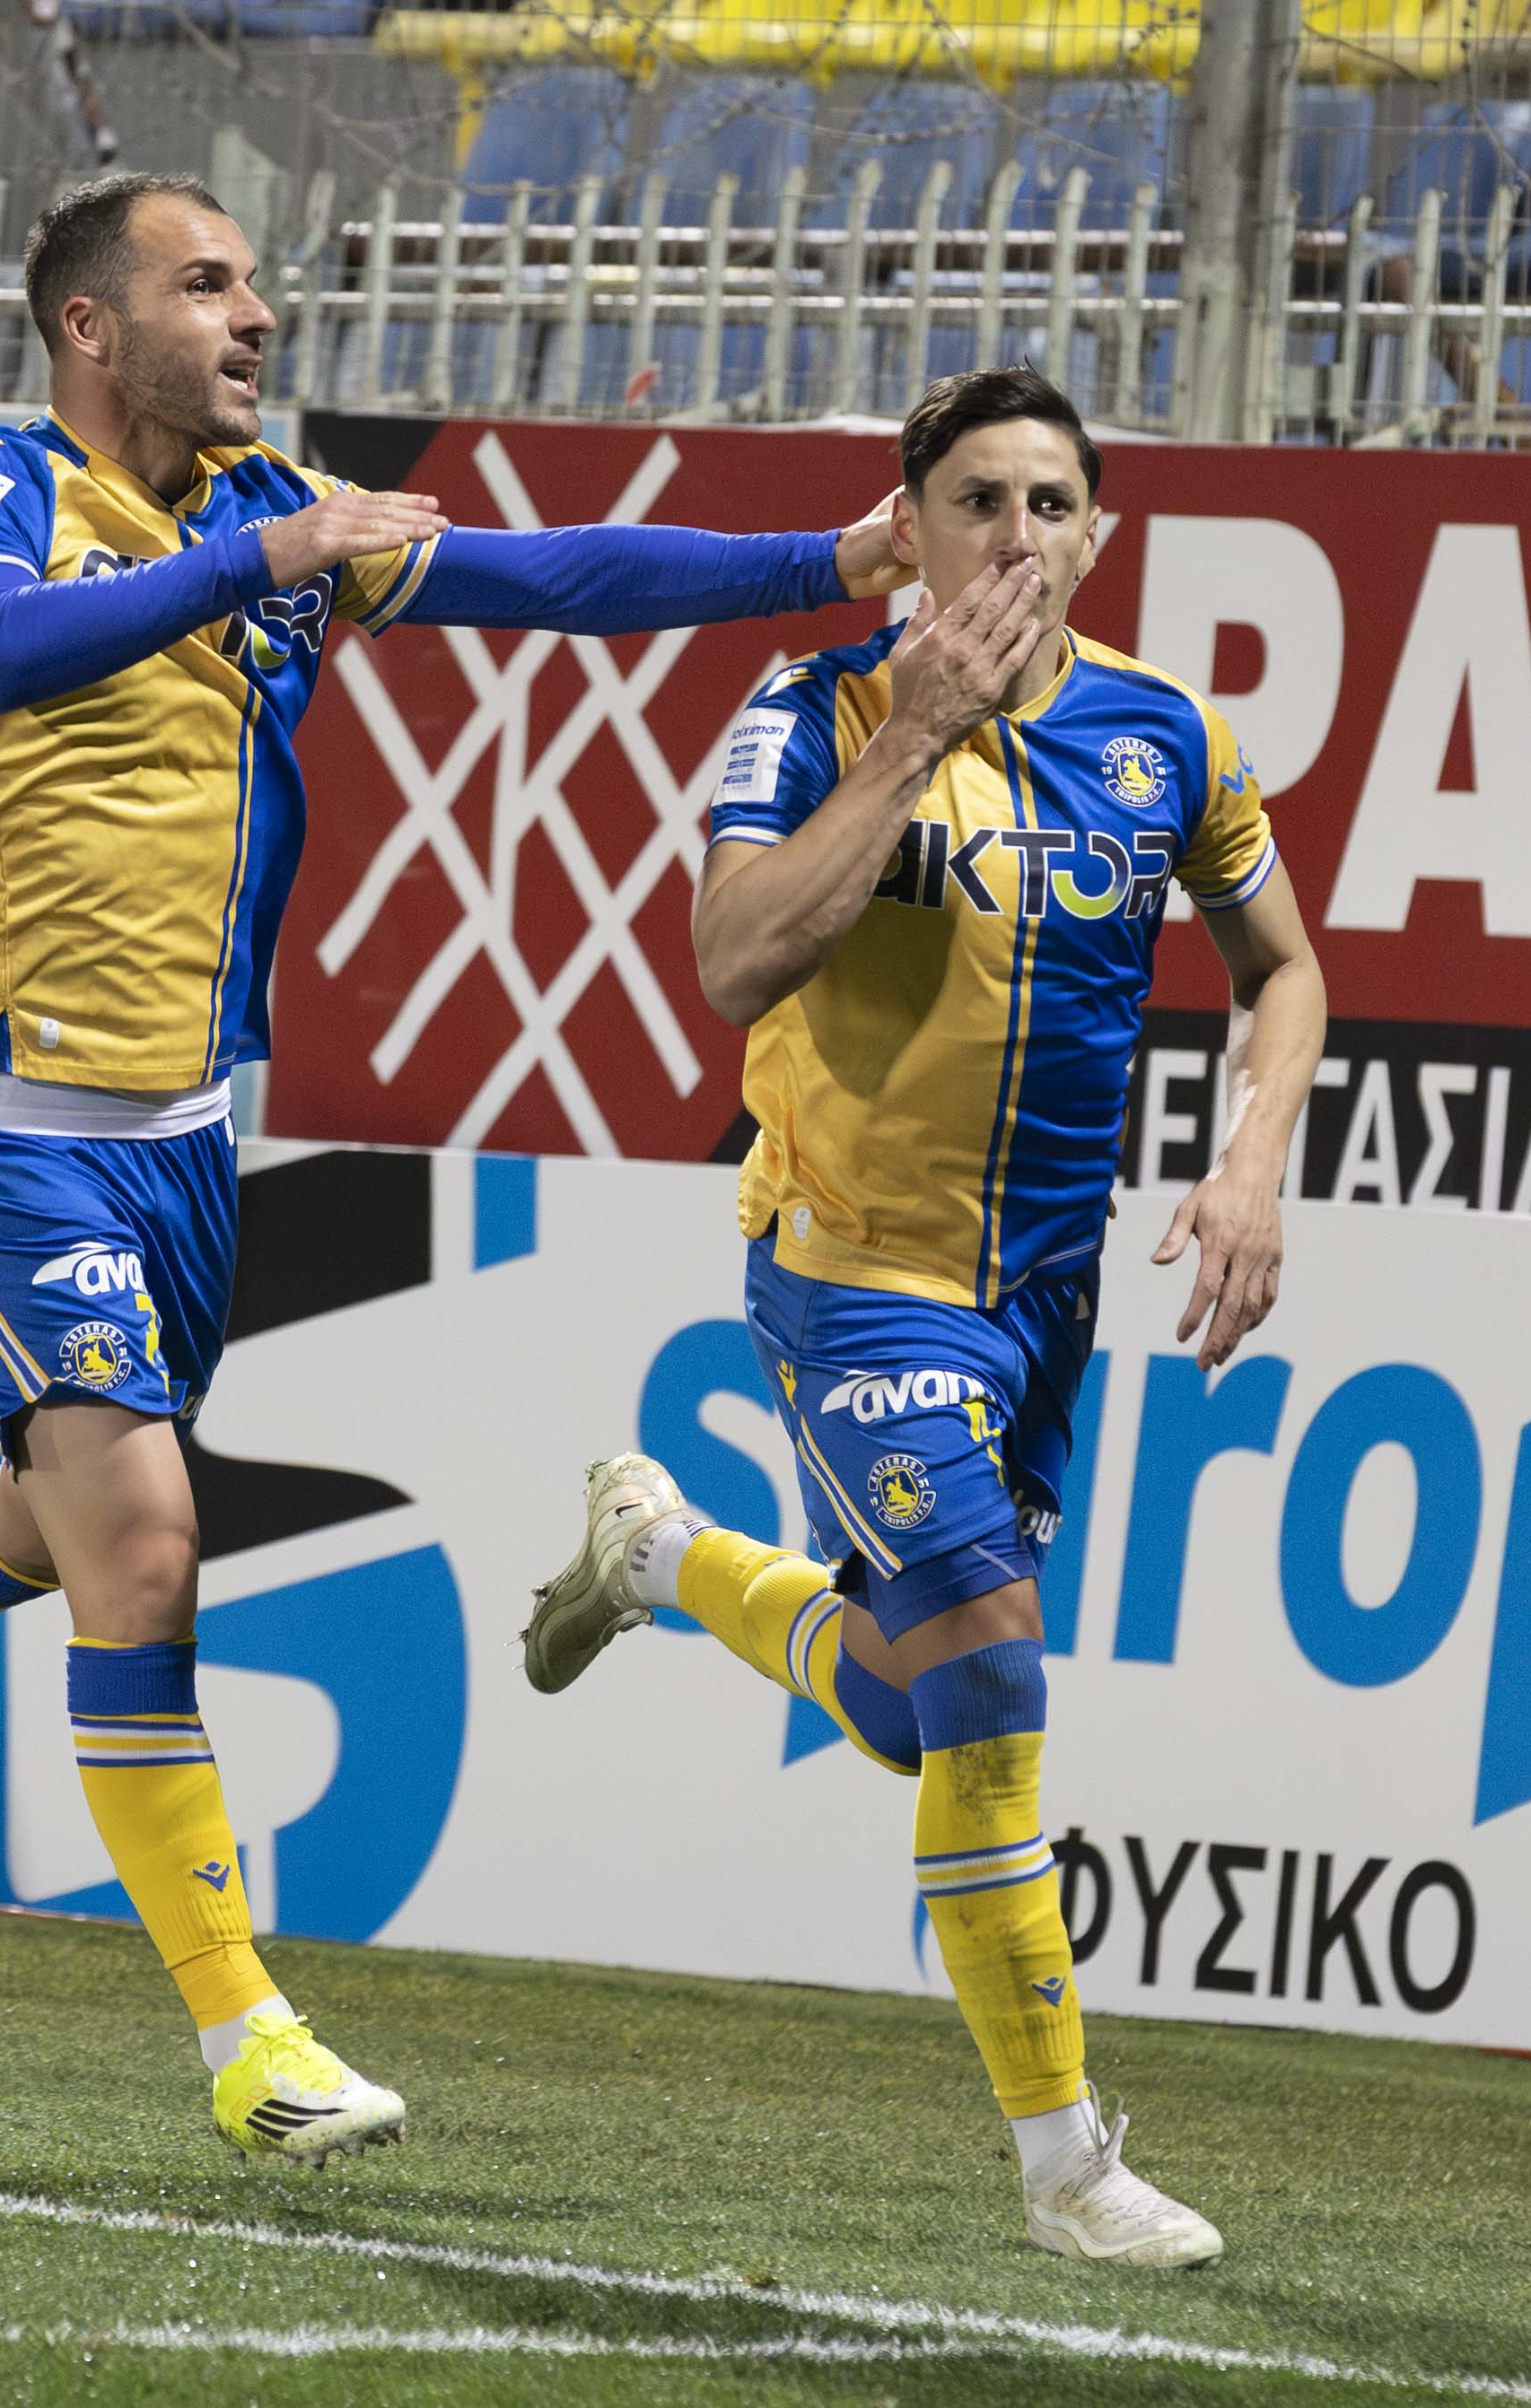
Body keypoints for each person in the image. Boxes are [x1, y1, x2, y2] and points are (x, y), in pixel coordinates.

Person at [0, 169, 903, 2167]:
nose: (257, 316)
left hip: (182, 1140)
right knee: (147, 1548)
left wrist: (826, 561)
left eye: (257, 284)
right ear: (91, 326)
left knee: (61, 1517)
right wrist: (272, 559)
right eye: (208, 284)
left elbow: (552, 579)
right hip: (4, 1127)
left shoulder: (275, 512)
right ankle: (248, 2036)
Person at [522, 367, 1327, 2266]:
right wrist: (913, 737)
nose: (1015, 536)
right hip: (854, 1271)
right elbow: (732, 961)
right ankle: (1066, 2167)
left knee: (907, 1703)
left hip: (1041, 1295)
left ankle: (662, 1556)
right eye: (977, 500)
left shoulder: (1166, 733)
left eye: (1050, 503)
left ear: (1098, 536)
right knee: (989, 1676)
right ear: (909, 525)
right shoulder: (812, 711)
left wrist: (1249, 1164)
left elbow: (1284, 969)